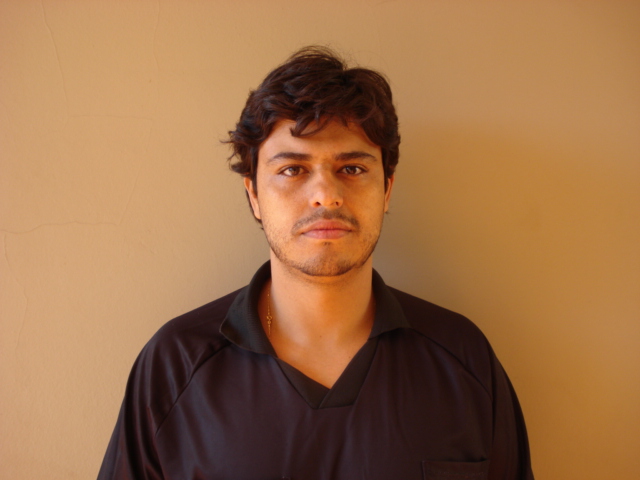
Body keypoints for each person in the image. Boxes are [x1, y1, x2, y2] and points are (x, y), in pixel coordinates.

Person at [98, 46, 534, 480]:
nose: (325, 195)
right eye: (292, 169)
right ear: (254, 194)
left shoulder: (463, 358)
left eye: (352, 169)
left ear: (387, 189)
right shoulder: (174, 366)